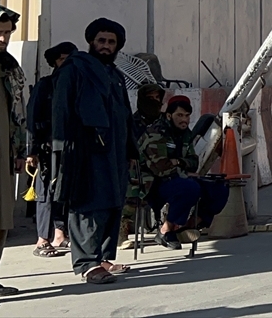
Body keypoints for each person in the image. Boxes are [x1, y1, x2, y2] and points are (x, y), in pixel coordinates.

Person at [51, 18, 135, 285]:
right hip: (85, 150)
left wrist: (131, 149)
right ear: (91, 41)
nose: (106, 46)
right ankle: (87, 263)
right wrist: (62, 147)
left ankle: (102, 257)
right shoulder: (75, 69)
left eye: (111, 42)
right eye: (101, 41)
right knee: (88, 203)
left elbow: (125, 115)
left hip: (115, 151)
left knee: (112, 202)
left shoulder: (115, 75)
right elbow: (61, 110)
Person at [139, 96, 229, 250]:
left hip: (176, 178)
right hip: (151, 184)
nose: (184, 120)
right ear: (169, 115)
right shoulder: (157, 133)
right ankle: (165, 231)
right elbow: (161, 168)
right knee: (189, 188)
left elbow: (194, 162)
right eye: (179, 115)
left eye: (187, 116)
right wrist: (182, 167)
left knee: (220, 188)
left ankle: (187, 227)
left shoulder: (185, 133)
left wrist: (178, 162)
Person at [0, 6, 27, 297]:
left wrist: (20, 149)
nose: (2, 39)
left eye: (6, 33)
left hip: (2, 150)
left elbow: (18, 112)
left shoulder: (10, 68)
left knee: (1, 214)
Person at [26, 41, 78, 258]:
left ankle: (59, 235)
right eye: (62, 59)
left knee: (64, 193)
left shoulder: (76, 86)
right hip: (46, 150)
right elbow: (32, 117)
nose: (66, 64)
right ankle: (42, 240)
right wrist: (32, 150)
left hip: (70, 149)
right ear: (55, 62)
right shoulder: (45, 85)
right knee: (45, 194)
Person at [119, 82, 166, 250]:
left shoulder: (166, 121)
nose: (154, 102)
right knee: (136, 184)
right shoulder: (132, 122)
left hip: (165, 167)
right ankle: (122, 229)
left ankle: (171, 228)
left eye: (157, 98)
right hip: (139, 169)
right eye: (150, 98)